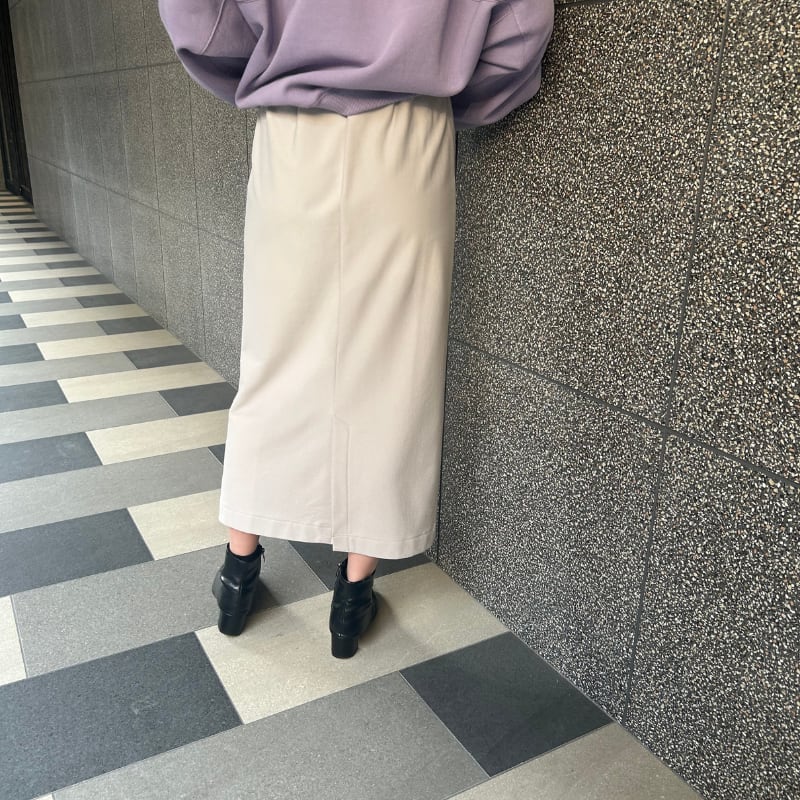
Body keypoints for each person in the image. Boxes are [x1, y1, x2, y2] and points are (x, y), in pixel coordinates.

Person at [158, 0, 554, 658]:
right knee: (395, 368)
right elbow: (520, 27)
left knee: (274, 358)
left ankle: (238, 571)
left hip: (293, 129)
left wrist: (271, 66)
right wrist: (443, 80)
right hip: (412, 131)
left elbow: (201, 18)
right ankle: (352, 595)